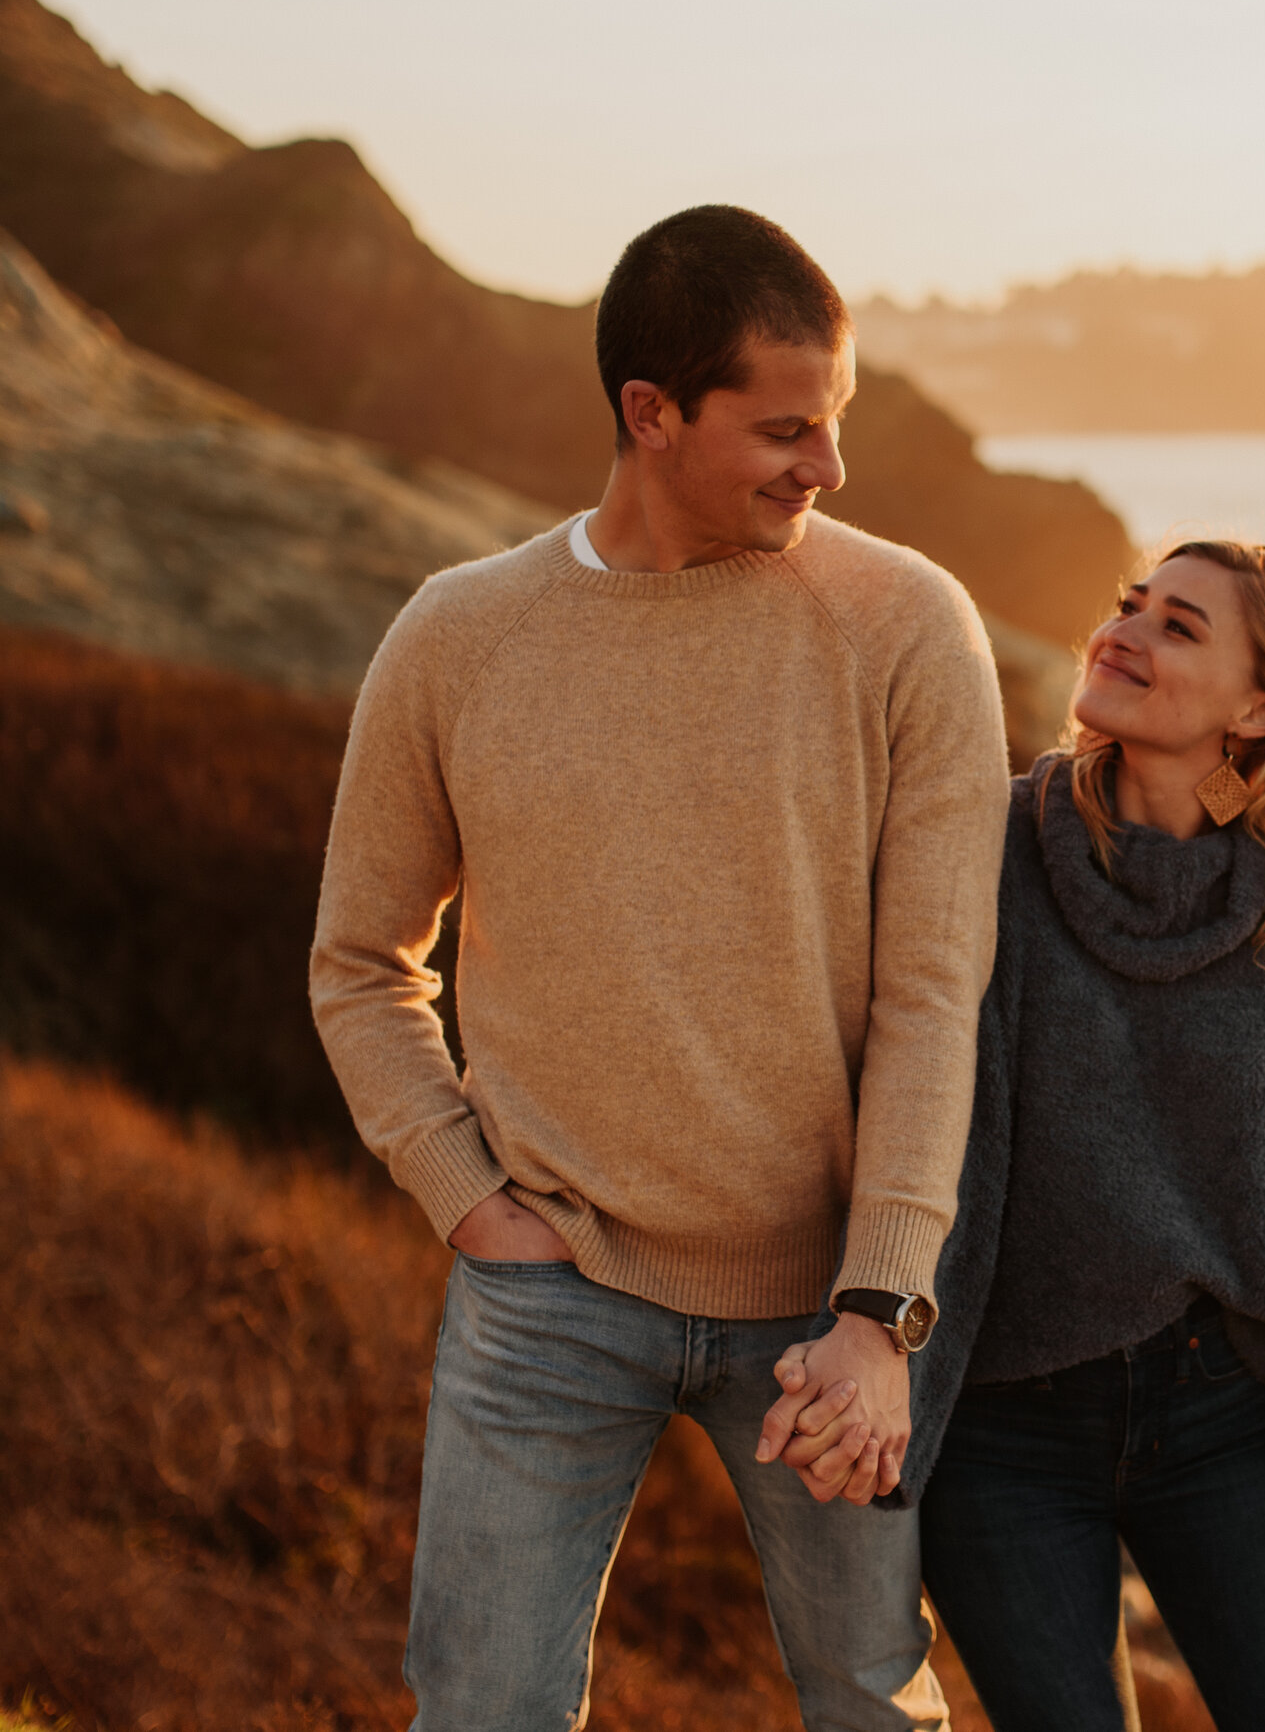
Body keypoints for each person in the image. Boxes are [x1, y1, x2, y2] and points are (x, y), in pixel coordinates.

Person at [309, 205, 1010, 1732]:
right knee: (479, 1709)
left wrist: (882, 1304)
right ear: (652, 414)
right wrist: (465, 1196)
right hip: (550, 1287)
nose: (828, 467)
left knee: (877, 1707)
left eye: (836, 421)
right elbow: (362, 960)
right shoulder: (458, 636)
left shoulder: (908, 628)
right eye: (785, 428)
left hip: (826, 1313)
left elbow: (933, 994)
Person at [775, 539, 1265, 1731]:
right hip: (1006, 1430)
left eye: (1179, 626)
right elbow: (880, 1069)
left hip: (1220, 1425)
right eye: (1128, 606)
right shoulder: (989, 844)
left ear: (1258, 705)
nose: (1124, 632)